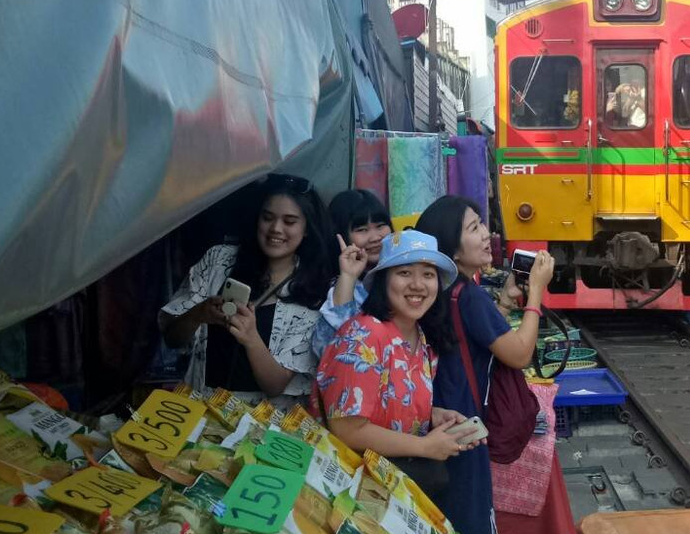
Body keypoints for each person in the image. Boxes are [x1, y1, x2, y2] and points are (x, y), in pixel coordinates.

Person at [414, 196, 553, 534]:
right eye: (473, 228)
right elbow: (519, 354)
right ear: (452, 251)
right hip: (466, 426)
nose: (486, 234)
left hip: (438, 416)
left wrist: (505, 302)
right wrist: (535, 293)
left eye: (481, 224)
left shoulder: (443, 291)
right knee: (472, 531)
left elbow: (472, 340)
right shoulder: (470, 296)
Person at [315, 231, 477, 496]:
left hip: (389, 491)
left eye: (428, 274)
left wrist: (432, 415)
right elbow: (346, 429)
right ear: (383, 280)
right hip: (349, 491)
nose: (418, 285)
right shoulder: (362, 335)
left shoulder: (420, 338)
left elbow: (385, 402)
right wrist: (424, 446)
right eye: (404, 273)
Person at [159, 175, 335, 408]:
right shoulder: (218, 261)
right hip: (198, 408)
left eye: (290, 221)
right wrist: (199, 314)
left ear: (307, 229)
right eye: (267, 218)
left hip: (260, 421)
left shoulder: (314, 290)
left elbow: (275, 385)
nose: (276, 229)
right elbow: (171, 338)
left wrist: (251, 338)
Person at [311, 190, 393, 358]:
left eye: (380, 226)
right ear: (340, 235)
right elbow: (328, 349)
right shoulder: (337, 288)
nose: (375, 237)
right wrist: (348, 277)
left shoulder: (400, 276)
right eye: (362, 229)